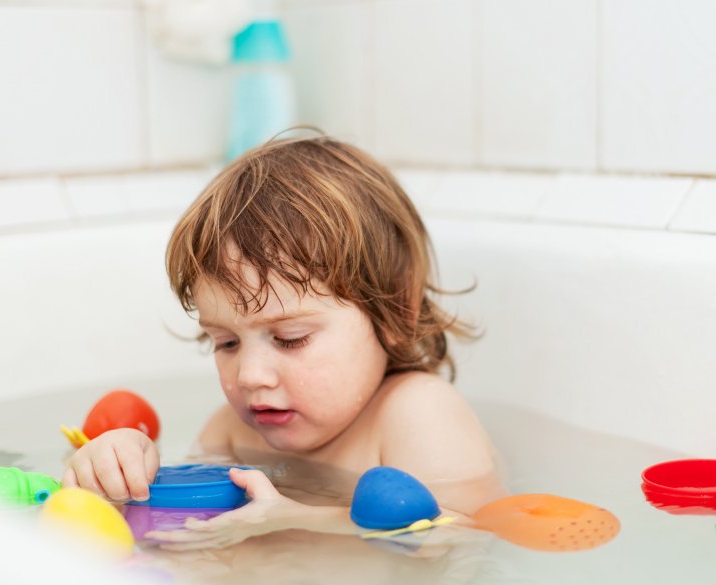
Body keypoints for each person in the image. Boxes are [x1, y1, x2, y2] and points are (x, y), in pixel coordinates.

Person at [62, 135, 505, 550]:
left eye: (290, 339)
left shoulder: (416, 414)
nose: (250, 376)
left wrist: (301, 517)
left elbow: (465, 536)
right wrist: (124, 474)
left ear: (396, 309)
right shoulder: (231, 432)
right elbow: (184, 519)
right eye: (226, 343)